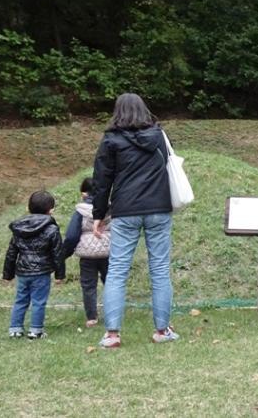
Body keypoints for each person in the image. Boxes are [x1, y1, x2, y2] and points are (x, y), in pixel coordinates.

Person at [91, 93, 178, 348]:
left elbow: (101, 179)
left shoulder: (111, 140)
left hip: (125, 209)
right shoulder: (160, 136)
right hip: (159, 208)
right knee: (160, 269)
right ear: (144, 110)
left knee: (117, 270)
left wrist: (98, 214)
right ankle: (162, 330)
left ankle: (112, 334)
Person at [2, 190, 64, 339]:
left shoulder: (19, 229)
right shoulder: (52, 229)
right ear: (51, 210)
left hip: (22, 272)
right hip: (41, 273)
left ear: (28, 208)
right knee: (39, 301)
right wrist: (59, 274)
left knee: (20, 299)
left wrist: (7, 274)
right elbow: (57, 254)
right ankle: (36, 330)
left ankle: (15, 329)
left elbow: (11, 253)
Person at [63, 178, 110, 328]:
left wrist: (64, 254)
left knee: (88, 285)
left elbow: (71, 235)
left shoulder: (80, 211)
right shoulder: (111, 208)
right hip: (108, 251)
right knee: (111, 282)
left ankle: (92, 317)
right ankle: (113, 313)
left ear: (84, 194)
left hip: (87, 254)